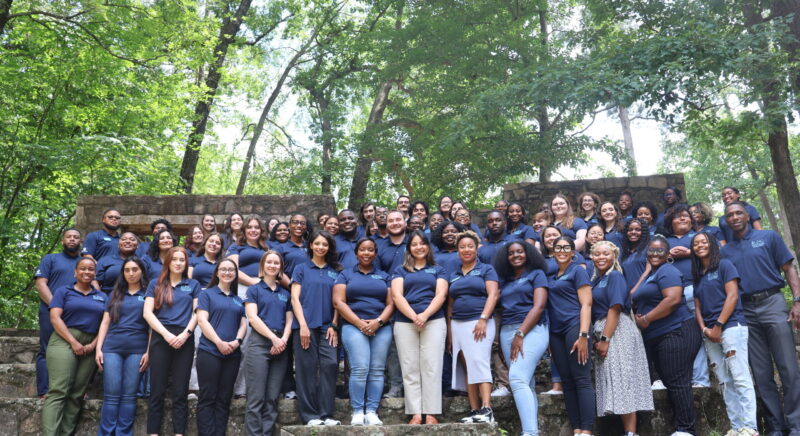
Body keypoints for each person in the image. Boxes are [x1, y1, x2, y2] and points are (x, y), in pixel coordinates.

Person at [721, 202, 800, 436]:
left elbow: (789, 268)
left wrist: (797, 300)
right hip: (745, 310)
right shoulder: (726, 251)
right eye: (730, 215)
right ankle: (776, 426)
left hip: (772, 303)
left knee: (788, 367)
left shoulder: (768, 237)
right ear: (725, 221)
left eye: (738, 213)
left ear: (747, 215)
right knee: (761, 372)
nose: (734, 217)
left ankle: (796, 425)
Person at [631, 236, 701, 436]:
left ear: (668, 254)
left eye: (660, 250)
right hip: (658, 334)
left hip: (676, 331)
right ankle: (681, 427)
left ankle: (686, 429)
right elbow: (634, 296)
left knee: (678, 381)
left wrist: (646, 319)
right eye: (651, 250)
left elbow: (672, 300)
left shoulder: (668, 271)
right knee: (671, 381)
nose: (654, 253)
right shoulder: (652, 273)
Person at [690, 232, 758, 436]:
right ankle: (737, 427)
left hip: (731, 327)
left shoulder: (725, 265)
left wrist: (719, 325)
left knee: (740, 376)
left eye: (703, 241)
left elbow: (733, 295)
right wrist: (704, 329)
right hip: (709, 332)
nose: (700, 245)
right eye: (696, 243)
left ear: (712, 244)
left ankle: (750, 427)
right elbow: (697, 306)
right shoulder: (698, 274)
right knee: (724, 380)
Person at [590, 241, 653, 436]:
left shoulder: (615, 276)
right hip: (604, 330)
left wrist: (605, 339)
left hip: (618, 331)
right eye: (597, 254)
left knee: (623, 381)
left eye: (606, 254)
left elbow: (615, 307)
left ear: (614, 257)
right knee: (615, 381)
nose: (601, 257)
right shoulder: (595, 280)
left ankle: (631, 433)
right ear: (591, 257)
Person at [41, 257, 106, 436]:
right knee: (59, 390)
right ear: (75, 272)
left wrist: (94, 344)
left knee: (77, 394)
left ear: (95, 273)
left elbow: (105, 324)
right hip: (64, 340)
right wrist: (73, 341)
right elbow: (55, 318)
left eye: (91, 269)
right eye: (83, 269)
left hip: (90, 344)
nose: (87, 272)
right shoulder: (64, 291)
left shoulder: (102, 296)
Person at [333, 238, 395, 426]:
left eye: (370, 250)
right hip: (353, 326)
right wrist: (359, 323)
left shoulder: (384, 276)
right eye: (362, 250)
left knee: (376, 370)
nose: (366, 253)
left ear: (375, 253)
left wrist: (378, 321)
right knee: (360, 368)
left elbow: (391, 303)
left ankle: (372, 411)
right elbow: (339, 302)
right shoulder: (345, 275)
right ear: (356, 253)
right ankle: (358, 411)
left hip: (381, 327)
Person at [391, 230, 449, 424]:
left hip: (433, 320)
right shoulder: (400, 270)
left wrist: (424, 315)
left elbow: (441, 295)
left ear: (428, 246)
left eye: (422, 243)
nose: (418, 247)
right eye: (414, 244)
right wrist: (414, 316)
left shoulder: (438, 269)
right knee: (410, 367)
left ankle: (431, 413)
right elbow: (397, 296)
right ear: (409, 248)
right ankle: (415, 413)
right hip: (405, 322)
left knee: (432, 366)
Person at [143, 247, 201, 436]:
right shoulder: (155, 284)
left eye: (181, 260)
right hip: (161, 337)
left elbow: (197, 313)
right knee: (157, 391)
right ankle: (153, 433)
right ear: (168, 262)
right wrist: (166, 335)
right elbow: (147, 313)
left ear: (186, 263)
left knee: (180, 391)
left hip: (185, 338)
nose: (178, 262)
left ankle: (179, 433)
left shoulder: (193, 285)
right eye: (174, 259)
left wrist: (186, 334)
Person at [493, 241, 550, 436]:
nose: (516, 255)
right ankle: (532, 431)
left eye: (520, 252)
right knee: (527, 383)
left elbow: (539, 306)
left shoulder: (537, 274)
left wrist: (521, 333)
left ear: (528, 254)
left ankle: (530, 433)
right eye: (511, 253)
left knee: (516, 379)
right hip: (507, 331)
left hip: (532, 329)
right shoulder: (506, 280)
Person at [290, 230, 342, 426]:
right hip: (305, 325)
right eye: (317, 243)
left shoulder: (335, 271)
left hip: (328, 326)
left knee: (330, 365)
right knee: (306, 368)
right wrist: (302, 325)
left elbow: (338, 301)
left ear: (329, 248)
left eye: (325, 244)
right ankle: (310, 416)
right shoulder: (301, 268)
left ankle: (326, 414)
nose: (321, 247)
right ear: (311, 245)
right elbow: (295, 298)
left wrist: (334, 325)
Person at [448, 231, 499, 424]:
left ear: (476, 248)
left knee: (479, 361)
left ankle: (487, 409)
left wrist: (483, 318)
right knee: (467, 366)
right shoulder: (453, 275)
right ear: (457, 250)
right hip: (457, 324)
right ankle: (474, 409)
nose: (466, 250)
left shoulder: (486, 269)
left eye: (470, 246)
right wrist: (450, 333)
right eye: (462, 247)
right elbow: (450, 305)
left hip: (479, 321)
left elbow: (493, 295)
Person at [95, 257, 150, 436]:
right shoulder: (115, 293)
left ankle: (123, 433)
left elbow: (152, 327)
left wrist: (149, 352)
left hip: (137, 349)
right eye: (127, 270)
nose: (131, 273)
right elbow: (105, 322)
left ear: (141, 271)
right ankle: (106, 433)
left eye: (135, 269)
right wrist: (98, 349)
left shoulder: (149, 293)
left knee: (128, 396)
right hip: (112, 348)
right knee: (111, 395)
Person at [547, 236, 595, 435]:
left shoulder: (578, 271)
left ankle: (587, 430)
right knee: (567, 380)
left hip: (575, 326)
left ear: (573, 252)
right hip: (556, 332)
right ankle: (576, 428)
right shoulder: (551, 275)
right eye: (558, 247)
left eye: (567, 247)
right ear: (552, 251)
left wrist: (583, 335)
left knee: (581, 378)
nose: (562, 250)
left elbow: (587, 304)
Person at [195, 258, 247, 436]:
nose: (227, 272)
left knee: (224, 399)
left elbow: (243, 324)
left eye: (231, 270)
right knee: (208, 398)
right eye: (223, 269)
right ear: (217, 273)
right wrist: (219, 342)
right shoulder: (207, 294)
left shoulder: (238, 300)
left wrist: (237, 342)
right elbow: (202, 321)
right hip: (209, 352)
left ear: (235, 274)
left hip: (232, 354)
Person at [243, 251, 293, 436]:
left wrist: (283, 340)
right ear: (263, 265)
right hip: (260, 343)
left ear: (280, 267)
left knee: (272, 398)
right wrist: (273, 339)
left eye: (276, 263)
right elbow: (253, 318)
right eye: (269, 262)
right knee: (256, 398)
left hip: (281, 345)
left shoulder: (284, 293)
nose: (272, 265)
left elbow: (289, 320)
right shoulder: (254, 289)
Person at [664, 204, 710, 387]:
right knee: (682, 337)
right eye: (678, 217)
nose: (683, 218)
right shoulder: (665, 241)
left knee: (701, 333)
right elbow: (654, 261)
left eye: (686, 216)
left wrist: (690, 252)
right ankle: (684, 379)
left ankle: (701, 379)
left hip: (697, 289)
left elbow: (715, 255)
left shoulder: (699, 237)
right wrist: (669, 255)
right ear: (670, 222)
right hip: (672, 294)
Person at [34, 228, 82, 398]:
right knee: (46, 349)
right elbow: (40, 284)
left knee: (75, 349)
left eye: (76, 237)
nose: (72, 239)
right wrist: (56, 306)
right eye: (69, 237)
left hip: (75, 314)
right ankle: (45, 390)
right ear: (63, 240)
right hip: (50, 310)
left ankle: (75, 391)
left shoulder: (84, 263)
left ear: (80, 242)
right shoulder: (50, 259)